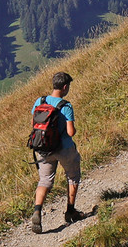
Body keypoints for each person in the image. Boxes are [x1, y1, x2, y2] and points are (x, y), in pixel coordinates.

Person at [30, 72, 86, 234]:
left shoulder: (39, 101)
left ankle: (37, 211)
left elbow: (34, 124)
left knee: (45, 181)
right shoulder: (65, 106)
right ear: (65, 87)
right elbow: (70, 132)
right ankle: (70, 211)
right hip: (64, 148)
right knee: (72, 176)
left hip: (44, 147)